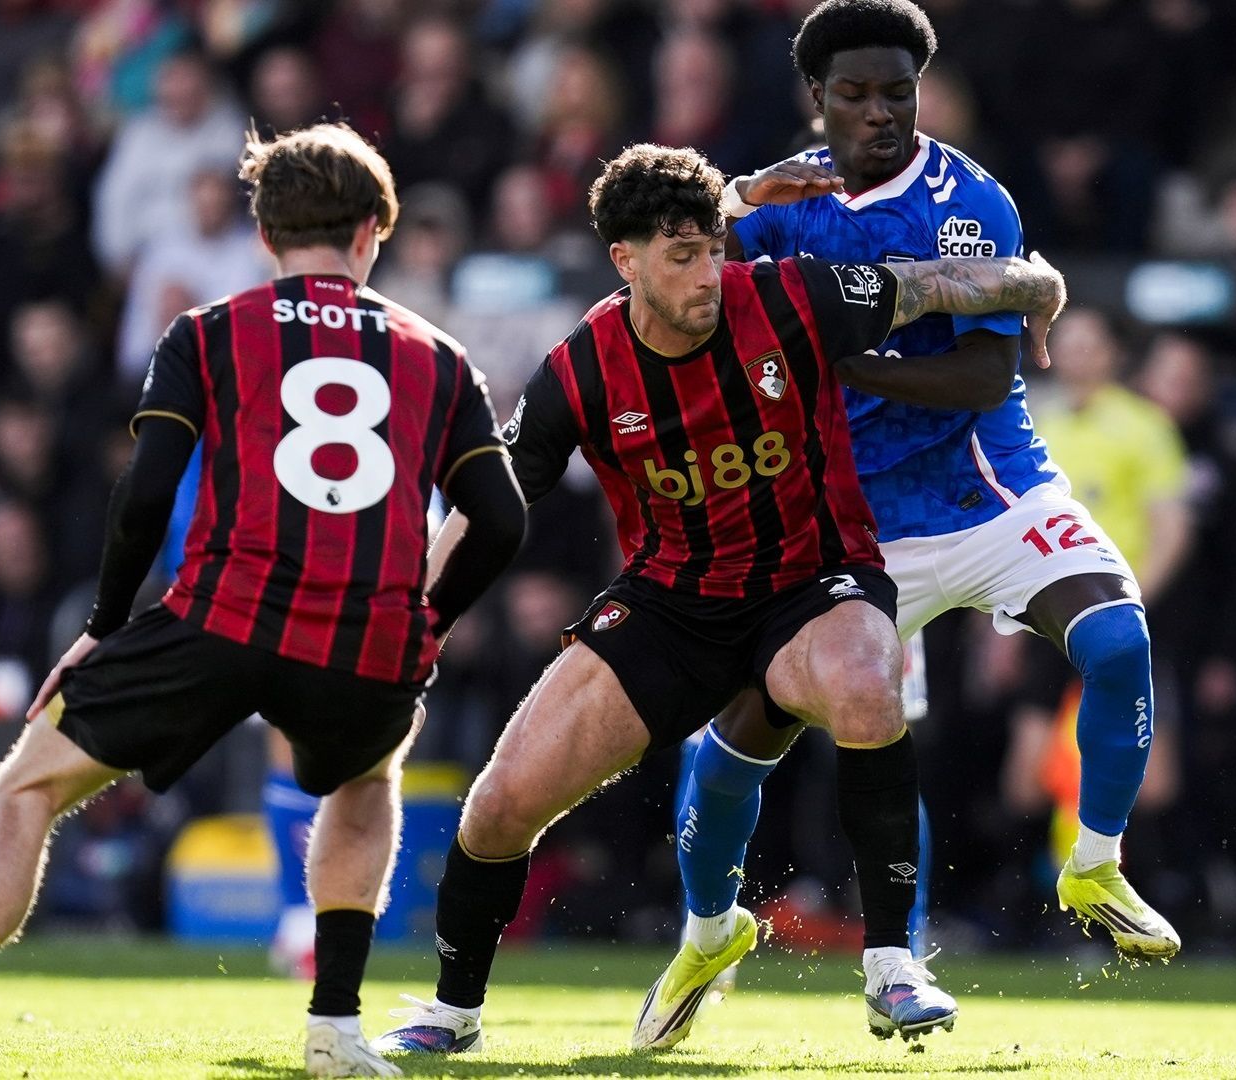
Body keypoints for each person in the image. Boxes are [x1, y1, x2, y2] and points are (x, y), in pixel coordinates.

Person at [0, 122, 526, 1080]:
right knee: (364, 783)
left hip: (222, 614)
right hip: (366, 634)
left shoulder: (207, 332)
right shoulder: (438, 356)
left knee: (26, 786)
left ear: (265, 235)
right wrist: (426, 620)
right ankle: (336, 1032)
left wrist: (104, 626)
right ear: (370, 235)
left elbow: (144, 494)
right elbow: (502, 517)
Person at [371, 142, 1066, 1056]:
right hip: (671, 607)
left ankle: (894, 963)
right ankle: (452, 1012)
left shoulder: (789, 293)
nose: (708, 275)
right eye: (681, 257)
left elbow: (936, 281)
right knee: (498, 807)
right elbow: (490, 505)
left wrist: (1033, 284)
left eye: (713, 249)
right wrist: (414, 621)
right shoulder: (580, 371)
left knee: (868, 678)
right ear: (626, 263)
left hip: (811, 584)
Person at [645, 0, 1179, 1052]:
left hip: (986, 492)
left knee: (1119, 639)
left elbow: (985, 373)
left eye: (900, 91)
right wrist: (740, 202)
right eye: (856, 93)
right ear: (818, 100)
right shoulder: (775, 205)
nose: (881, 112)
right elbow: (661, 283)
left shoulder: (969, 202)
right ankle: (707, 931)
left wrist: (836, 357)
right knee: (756, 736)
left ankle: (1093, 865)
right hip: (845, 526)